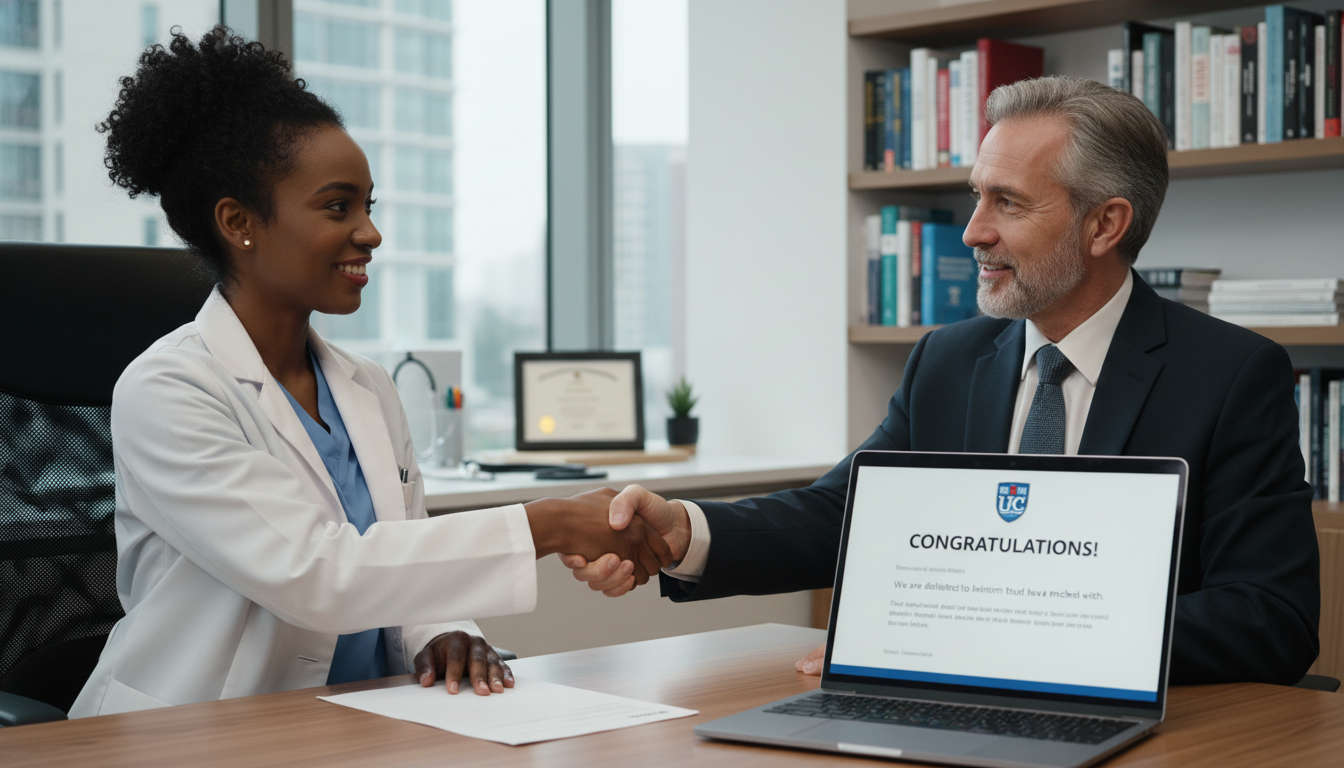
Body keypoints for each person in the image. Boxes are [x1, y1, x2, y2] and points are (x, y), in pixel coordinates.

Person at [564, 76, 1321, 685]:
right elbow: (843, 513)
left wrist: (980, 644)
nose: (972, 231)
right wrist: (684, 531)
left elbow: (1269, 619)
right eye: (976, 194)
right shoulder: (950, 358)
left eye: (1008, 202)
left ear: (1105, 225)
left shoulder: (1229, 375)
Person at [69, 27, 671, 718]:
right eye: (337, 206)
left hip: (357, 723)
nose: (370, 232)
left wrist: (444, 631)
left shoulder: (368, 387)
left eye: (368, 205)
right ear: (239, 222)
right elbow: (319, 575)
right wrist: (552, 524)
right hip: (198, 730)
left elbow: (405, 559)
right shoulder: (168, 391)